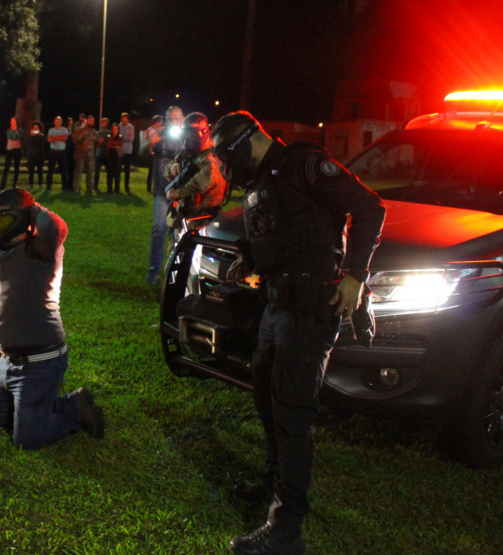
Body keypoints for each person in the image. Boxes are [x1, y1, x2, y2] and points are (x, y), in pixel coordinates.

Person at [211, 111, 385, 555]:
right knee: (267, 397)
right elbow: (283, 232)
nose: (230, 174)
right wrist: (250, 261)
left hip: (311, 309)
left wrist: (355, 276)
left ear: (246, 144)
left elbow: (368, 207)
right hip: (276, 304)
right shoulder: (265, 177)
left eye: (228, 162)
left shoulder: (305, 164)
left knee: (291, 412)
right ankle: (276, 483)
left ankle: (286, 528)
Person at [0, 188, 105, 449]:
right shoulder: (3, 245)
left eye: (3, 221)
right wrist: (0, 206)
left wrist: (33, 209)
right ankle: (42, 407)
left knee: (27, 441)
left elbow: (57, 227)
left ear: (22, 220)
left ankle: (75, 407)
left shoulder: (41, 250)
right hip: (7, 363)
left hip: (39, 363)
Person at [165, 112, 227, 237]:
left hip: (204, 225)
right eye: (186, 132)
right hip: (183, 221)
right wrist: (173, 167)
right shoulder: (188, 154)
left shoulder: (212, 156)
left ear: (204, 132)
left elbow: (204, 181)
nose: (189, 137)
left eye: (192, 132)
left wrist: (178, 192)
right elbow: (168, 168)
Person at [141, 106, 184, 284]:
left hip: (181, 194)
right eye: (170, 119)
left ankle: (175, 274)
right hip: (161, 192)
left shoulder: (187, 138)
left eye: (177, 118)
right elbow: (142, 152)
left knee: (178, 235)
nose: (173, 122)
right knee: (158, 230)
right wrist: (151, 141)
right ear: (165, 120)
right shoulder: (160, 136)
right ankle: (153, 271)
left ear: (182, 119)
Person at [71, 114, 100, 194]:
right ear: (87, 121)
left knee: (90, 173)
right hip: (80, 154)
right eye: (90, 120)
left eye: (93, 121)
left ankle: (90, 189)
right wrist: (80, 137)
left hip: (90, 156)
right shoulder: (80, 130)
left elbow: (97, 143)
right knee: (78, 172)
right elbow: (74, 139)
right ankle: (76, 189)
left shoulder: (94, 132)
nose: (92, 122)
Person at [46, 116, 70, 192]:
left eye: (59, 121)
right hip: (53, 151)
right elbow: (49, 139)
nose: (57, 122)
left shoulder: (64, 129)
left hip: (62, 152)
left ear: (61, 122)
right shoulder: (51, 130)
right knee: (50, 170)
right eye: (56, 121)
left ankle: (64, 187)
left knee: (63, 170)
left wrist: (54, 137)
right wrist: (59, 137)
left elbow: (65, 138)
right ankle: (48, 187)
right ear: (54, 122)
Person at [142, 115, 164, 193]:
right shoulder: (150, 130)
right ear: (157, 122)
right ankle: (149, 188)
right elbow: (148, 141)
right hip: (151, 153)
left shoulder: (160, 130)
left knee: (158, 170)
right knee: (151, 171)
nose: (162, 123)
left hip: (158, 153)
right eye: (161, 121)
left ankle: (157, 186)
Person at [0, 118, 23, 189]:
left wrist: (14, 134)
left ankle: (14, 184)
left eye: (14, 121)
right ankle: (3, 184)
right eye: (11, 121)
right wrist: (14, 134)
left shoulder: (20, 131)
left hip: (17, 150)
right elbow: (11, 137)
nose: (12, 122)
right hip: (9, 150)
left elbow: (17, 137)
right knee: (6, 167)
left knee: (16, 167)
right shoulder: (8, 130)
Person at [25, 121, 45, 190]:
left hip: (40, 155)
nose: (35, 129)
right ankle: (31, 185)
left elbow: (43, 143)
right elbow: (28, 143)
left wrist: (39, 135)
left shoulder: (42, 136)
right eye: (34, 128)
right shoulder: (30, 136)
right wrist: (31, 136)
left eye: (37, 128)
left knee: (40, 170)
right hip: (31, 155)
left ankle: (40, 185)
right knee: (31, 171)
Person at [93, 117, 111, 190]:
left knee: (109, 171)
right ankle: (95, 186)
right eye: (103, 122)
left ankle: (109, 187)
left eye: (106, 123)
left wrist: (104, 141)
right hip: (99, 154)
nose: (104, 124)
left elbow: (109, 141)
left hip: (107, 154)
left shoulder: (110, 132)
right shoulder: (98, 132)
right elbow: (97, 142)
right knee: (97, 171)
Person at [119, 113, 135, 193]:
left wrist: (122, 138)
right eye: (122, 118)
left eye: (125, 118)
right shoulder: (119, 126)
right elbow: (118, 138)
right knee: (118, 168)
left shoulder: (130, 127)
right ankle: (117, 186)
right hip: (120, 150)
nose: (123, 119)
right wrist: (125, 137)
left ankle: (127, 186)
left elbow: (131, 138)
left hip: (128, 150)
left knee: (127, 170)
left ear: (128, 119)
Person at [105, 123, 123, 193]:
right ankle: (109, 189)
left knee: (117, 173)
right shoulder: (109, 136)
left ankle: (117, 189)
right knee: (110, 173)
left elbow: (119, 143)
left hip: (117, 156)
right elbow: (107, 144)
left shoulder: (120, 136)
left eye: (116, 129)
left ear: (118, 130)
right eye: (113, 129)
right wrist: (115, 146)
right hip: (110, 156)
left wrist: (111, 143)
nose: (114, 130)